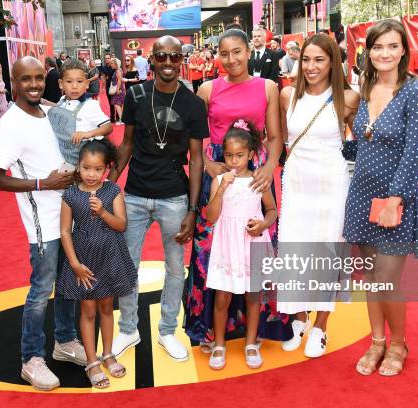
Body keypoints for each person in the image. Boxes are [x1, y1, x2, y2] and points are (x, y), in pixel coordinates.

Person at [184, 28, 290, 352]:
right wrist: (208, 164)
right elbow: (193, 141)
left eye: (237, 52)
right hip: (218, 172)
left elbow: (274, 136)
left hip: (256, 172)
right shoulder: (206, 89)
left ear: (248, 51)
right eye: (224, 53)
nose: (231, 60)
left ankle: (253, 330)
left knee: (254, 245)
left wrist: (270, 167)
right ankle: (207, 329)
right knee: (209, 250)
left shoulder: (268, 87)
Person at [0, 57, 85, 391]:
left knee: (69, 284)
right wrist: (44, 184)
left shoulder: (49, 113)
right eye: (25, 79)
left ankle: (65, 341)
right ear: (12, 82)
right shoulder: (8, 126)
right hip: (42, 223)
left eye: (39, 78)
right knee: (41, 290)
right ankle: (31, 358)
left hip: (68, 216)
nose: (33, 84)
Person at [108, 35, 208, 362]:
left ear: (183, 61)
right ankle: (128, 329)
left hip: (175, 198)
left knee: (175, 268)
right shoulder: (137, 95)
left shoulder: (193, 104)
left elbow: (196, 160)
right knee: (127, 265)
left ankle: (167, 330)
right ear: (152, 61)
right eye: (161, 57)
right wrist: (109, 187)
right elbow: (126, 145)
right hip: (135, 195)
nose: (167, 63)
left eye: (174, 57)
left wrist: (192, 209)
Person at [343, 20, 418, 377]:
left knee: (386, 278)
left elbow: (416, 151)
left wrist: (396, 197)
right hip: (361, 194)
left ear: (403, 50)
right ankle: (377, 341)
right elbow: (361, 141)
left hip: (396, 198)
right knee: (369, 276)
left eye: (393, 46)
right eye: (378, 47)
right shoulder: (364, 87)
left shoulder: (415, 92)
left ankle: (398, 343)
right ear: (369, 51)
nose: (385, 54)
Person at [277, 34, 360, 356]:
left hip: (331, 185)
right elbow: (282, 139)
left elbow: (361, 142)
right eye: (306, 60)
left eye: (319, 60)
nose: (311, 67)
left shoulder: (349, 99)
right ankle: (299, 318)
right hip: (297, 182)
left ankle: (321, 326)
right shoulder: (287, 95)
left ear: (333, 63)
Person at [57, 138, 137, 388]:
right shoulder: (69, 195)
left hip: (110, 258)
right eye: (86, 168)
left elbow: (121, 225)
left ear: (106, 169)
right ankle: (92, 361)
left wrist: (103, 212)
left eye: (98, 169)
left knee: (106, 308)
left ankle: (108, 353)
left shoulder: (112, 191)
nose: (92, 174)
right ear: (78, 167)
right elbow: (65, 231)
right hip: (84, 262)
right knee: (88, 311)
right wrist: (74, 264)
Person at [206, 120, 277, 370]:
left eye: (240, 155)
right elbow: (211, 216)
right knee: (222, 297)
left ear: (250, 154)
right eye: (228, 155)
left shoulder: (259, 180)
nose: (234, 161)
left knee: (253, 295)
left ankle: (250, 343)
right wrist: (221, 189)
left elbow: (272, 210)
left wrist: (263, 224)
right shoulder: (220, 180)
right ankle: (219, 344)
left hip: (251, 243)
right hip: (227, 245)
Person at [55, 58, 112, 154]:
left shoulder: (90, 105)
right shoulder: (61, 101)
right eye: (69, 81)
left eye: (79, 81)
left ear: (86, 84)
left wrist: (87, 134)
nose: (74, 86)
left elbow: (108, 127)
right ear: (61, 84)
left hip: (82, 159)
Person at [100, 54, 117, 122]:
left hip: (115, 85)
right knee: (110, 102)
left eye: (108, 58)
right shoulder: (104, 68)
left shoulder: (113, 66)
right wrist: (102, 87)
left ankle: (118, 116)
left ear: (110, 58)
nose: (106, 59)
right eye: (105, 58)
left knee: (117, 101)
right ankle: (112, 117)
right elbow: (103, 77)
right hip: (108, 86)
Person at [109, 58, 126, 125]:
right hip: (119, 88)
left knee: (116, 104)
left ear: (116, 64)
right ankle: (122, 119)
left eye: (112, 64)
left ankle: (122, 120)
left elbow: (119, 80)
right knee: (119, 104)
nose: (111, 65)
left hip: (118, 88)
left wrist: (118, 89)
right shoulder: (118, 70)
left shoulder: (118, 71)